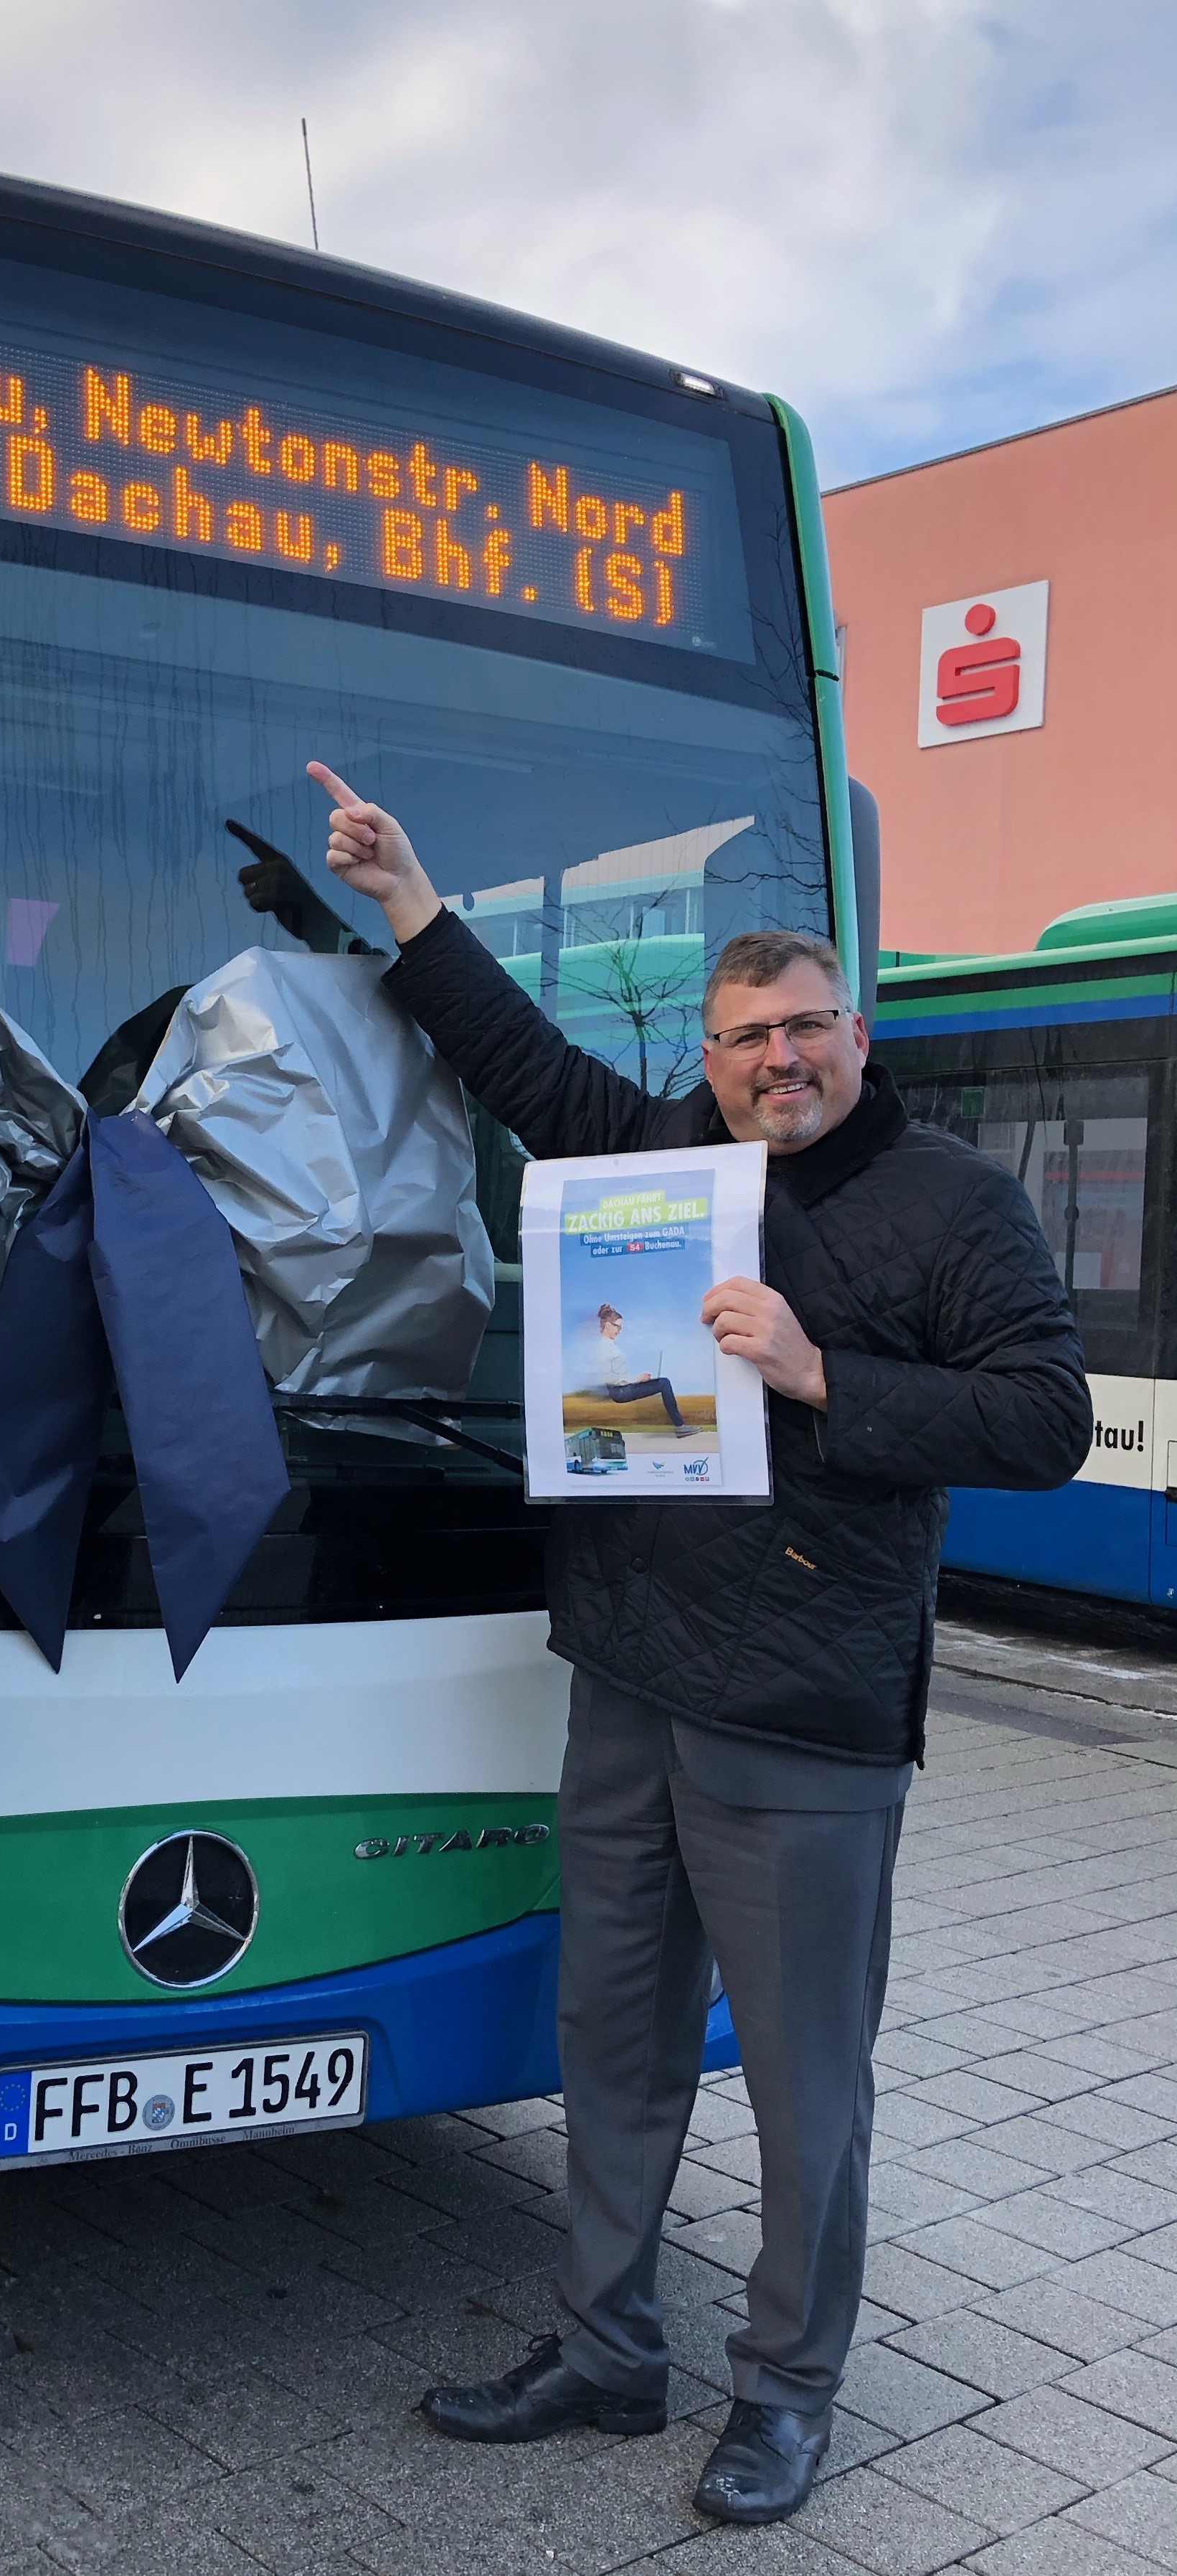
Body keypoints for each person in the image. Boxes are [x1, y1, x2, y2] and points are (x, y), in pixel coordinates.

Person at [309, 761, 1091, 2526]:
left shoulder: (956, 1204)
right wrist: (415, 898)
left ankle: (789, 2387)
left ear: (856, 1034)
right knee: (613, 2040)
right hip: (628, 1685)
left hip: (805, 1719)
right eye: (744, 1038)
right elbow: (520, 1067)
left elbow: (1042, 1413)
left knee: (807, 2083)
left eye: (804, 1028)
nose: (774, 1060)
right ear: (714, 1054)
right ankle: (603, 2343)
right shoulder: (667, 1161)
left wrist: (823, 1373)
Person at [590, 1302, 689, 1434]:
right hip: (621, 1392)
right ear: (608, 1325)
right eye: (618, 1327)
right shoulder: (605, 1349)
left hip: (622, 1389)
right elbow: (612, 1379)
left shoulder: (609, 1346)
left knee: (662, 1382)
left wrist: (638, 1379)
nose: (619, 1331)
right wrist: (638, 1379)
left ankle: (680, 1427)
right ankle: (680, 1427)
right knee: (664, 1383)